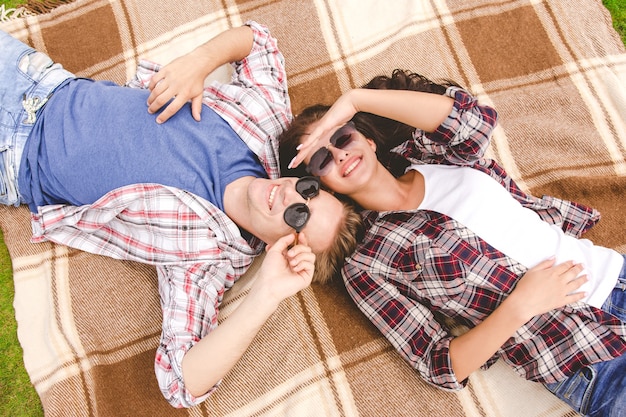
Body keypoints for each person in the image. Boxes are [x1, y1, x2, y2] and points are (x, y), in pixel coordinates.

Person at [0, 22, 363, 408]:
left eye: (297, 217)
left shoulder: (208, 260)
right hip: (41, 82)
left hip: (15, 160)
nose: (290, 194)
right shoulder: (267, 128)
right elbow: (259, 42)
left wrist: (269, 291)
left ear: (285, 247)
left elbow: (180, 383)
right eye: (309, 191)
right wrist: (198, 63)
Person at [279, 69, 626, 417]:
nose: (339, 155)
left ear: (367, 140)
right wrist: (520, 305)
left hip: (614, 275)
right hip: (582, 353)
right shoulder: (365, 265)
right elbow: (438, 363)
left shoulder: (430, 156)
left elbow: (475, 121)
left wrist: (355, 100)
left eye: (342, 138)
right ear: (324, 187)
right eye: (322, 160)